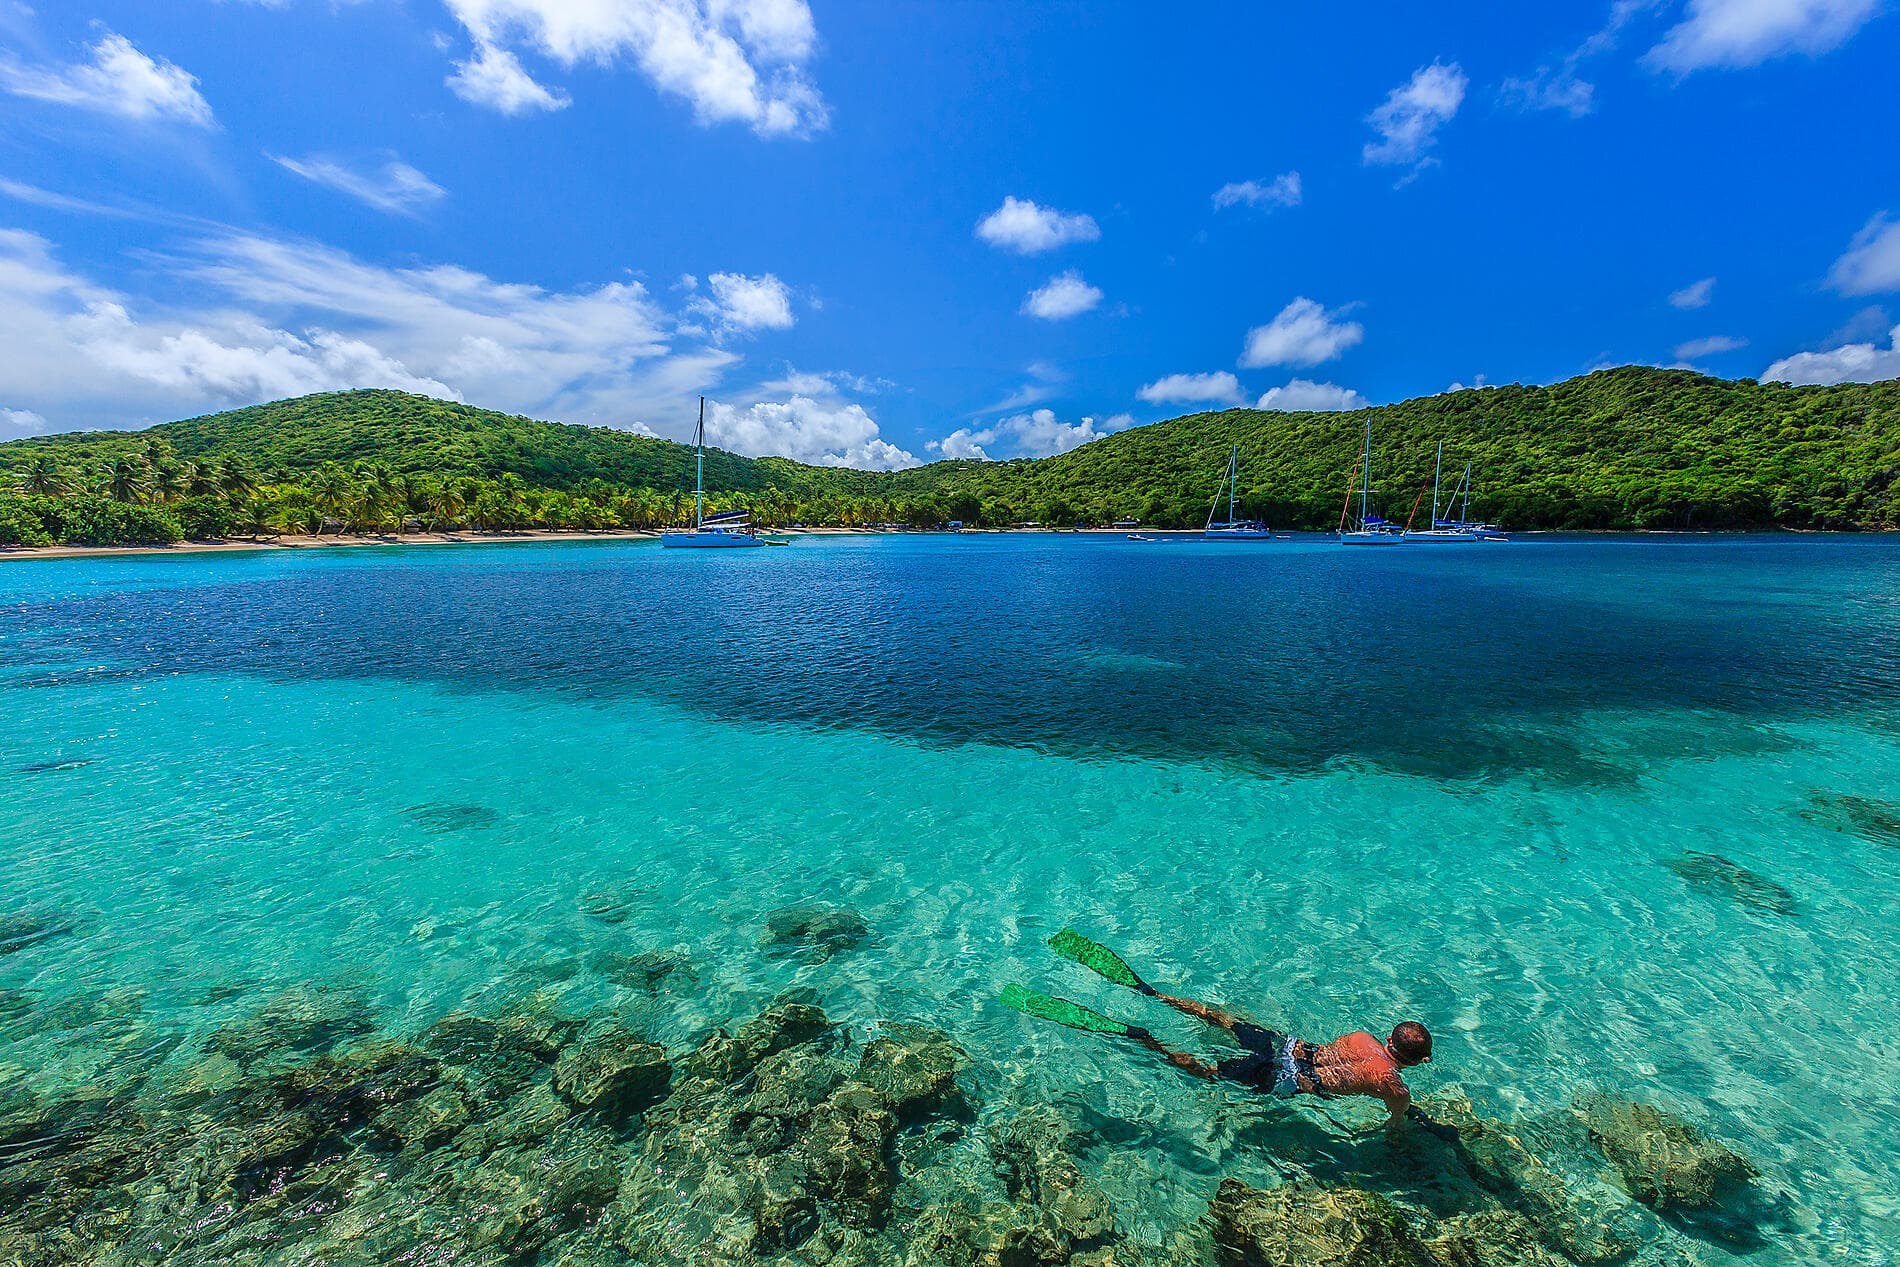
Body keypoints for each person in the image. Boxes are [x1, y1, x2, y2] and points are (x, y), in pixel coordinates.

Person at [1001, 929, 1433, 1137]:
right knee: (1205, 1071)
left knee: (1221, 1019)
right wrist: (1401, 1132)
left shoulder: (1360, 1037)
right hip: (1285, 1080)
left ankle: (1152, 993)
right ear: (1420, 1061)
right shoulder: (1390, 1083)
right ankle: (1144, 1038)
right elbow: (1394, 1127)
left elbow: (1340, 1057)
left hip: (1284, 1046)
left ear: (1389, 1037)